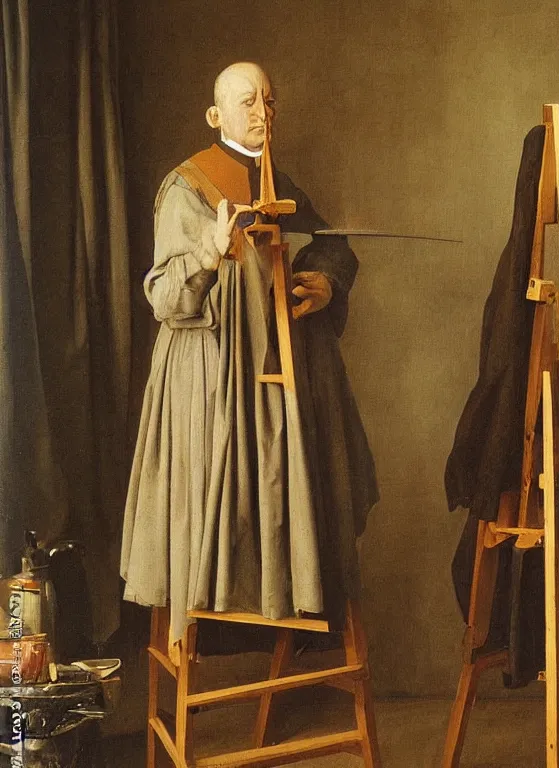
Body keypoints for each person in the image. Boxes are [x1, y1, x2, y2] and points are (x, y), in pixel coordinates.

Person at [120, 62, 378, 650]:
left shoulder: (277, 180)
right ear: (217, 117)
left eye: (268, 99)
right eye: (246, 102)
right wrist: (211, 253)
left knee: (304, 500)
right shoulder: (186, 187)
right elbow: (163, 295)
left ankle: (291, 617)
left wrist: (324, 283)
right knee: (209, 523)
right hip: (211, 384)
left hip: (277, 382)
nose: (262, 112)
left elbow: (331, 246)